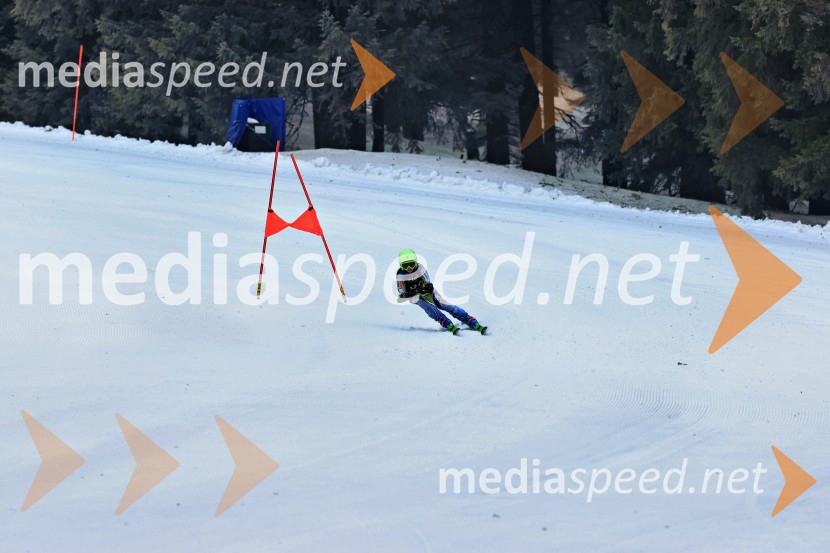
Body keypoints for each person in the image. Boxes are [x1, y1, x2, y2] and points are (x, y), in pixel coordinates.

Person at [395, 249, 487, 335]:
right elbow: (402, 293)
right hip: (414, 296)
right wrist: (412, 292)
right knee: (429, 307)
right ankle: (444, 321)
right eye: (405, 266)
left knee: (443, 304)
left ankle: (467, 319)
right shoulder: (400, 274)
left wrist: (425, 288)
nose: (409, 268)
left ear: (415, 262)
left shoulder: (420, 268)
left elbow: (428, 284)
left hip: (426, 292)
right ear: (401, 266)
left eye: (411, 264)